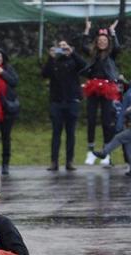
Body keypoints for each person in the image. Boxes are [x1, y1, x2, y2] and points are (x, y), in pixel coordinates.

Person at [80, 19, 122, 167]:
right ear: (97, 41)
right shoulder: (92, 53)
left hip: (107, 87)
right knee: (91, 119)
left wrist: (112, 32)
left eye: (105, 40)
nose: (102, 42)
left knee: (106, 121)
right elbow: (82, 45)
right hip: (93, 86)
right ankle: (90, 151)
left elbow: (117, 46)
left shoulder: (111, 54)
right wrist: (87, 29)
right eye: (100, 40)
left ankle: (106, 153)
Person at [41, 39, 87, 171]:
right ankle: (54, 161)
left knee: (71, 133)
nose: (62, 48)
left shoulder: (73, 61)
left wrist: (72, 53)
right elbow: (44, 74)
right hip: (57, 102)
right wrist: (50, 58)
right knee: (56, 133)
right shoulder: (54, 61)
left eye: (64, 46)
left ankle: (69, 161)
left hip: (72, 101)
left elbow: (85, 66)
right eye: (59, 46)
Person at [91, 88, 131, 176]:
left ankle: (104, 152)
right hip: (129, 129)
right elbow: (125, 114)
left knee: (118, 137)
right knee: (130, 149)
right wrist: (130, 111)